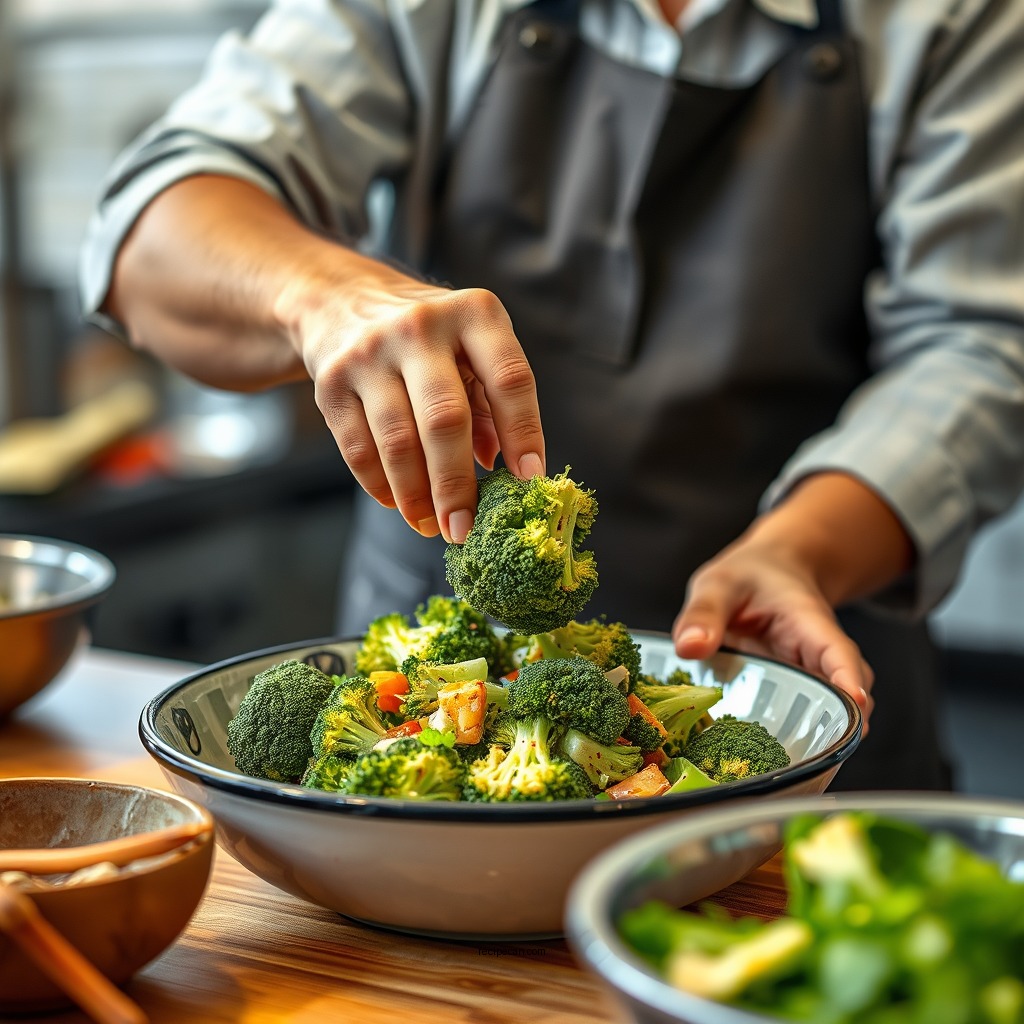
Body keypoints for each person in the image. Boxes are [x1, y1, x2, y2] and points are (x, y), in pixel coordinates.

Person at [79, 0, 1024, 791]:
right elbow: (151, 222)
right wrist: (320, 295)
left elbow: (985, 346)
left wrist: (805, 550)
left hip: (790, 692)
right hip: (430, 700)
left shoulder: (950, 18)